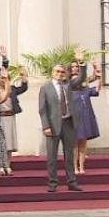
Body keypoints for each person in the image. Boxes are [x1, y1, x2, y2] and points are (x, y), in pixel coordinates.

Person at [38, 50, 87, 193]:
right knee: (52, 157)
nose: (60, 74)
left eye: (62, 72)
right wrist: (45, 126)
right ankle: (52, 183)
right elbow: (42, 109)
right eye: (57, 72)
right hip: (53, 125)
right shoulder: (45, 88)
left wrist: (81, 62)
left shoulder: (68, 85)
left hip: (68, 123)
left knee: (69, 155)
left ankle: (72, 182)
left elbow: (80, 78)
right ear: (52, 73)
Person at [70, 61, 102, 175]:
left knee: (83, 143)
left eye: (76, 67)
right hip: (74, 119)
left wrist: (99, 78)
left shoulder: (85, 89)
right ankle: (74, 167)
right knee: (74, 144)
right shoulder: (69, 88)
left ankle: (82, 166)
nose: (74, 68)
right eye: (72, 67)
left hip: (85, 117)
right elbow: (83, 79)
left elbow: (96, 90)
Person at [0, 66, 27, 177]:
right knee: (0, 142)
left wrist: (23, 76)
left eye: (5, 78)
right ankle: (0, 166)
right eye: (1, 77)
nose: (3, 79)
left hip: (10, 117)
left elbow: (23, 88)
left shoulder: (12, 89)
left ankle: (8, 165)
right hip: (0, 118)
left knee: (9, 143)